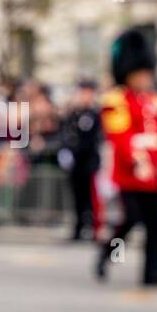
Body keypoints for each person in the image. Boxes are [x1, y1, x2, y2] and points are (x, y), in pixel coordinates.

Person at [96, 30, 157, 286]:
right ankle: (106, 252)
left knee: (156, 226)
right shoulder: (116, 101)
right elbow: (119, 137)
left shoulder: (155, 101)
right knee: (131, 220)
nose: (145, 78)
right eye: (140, 74)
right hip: (130, 175)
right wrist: (137, 160)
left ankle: (152, 273)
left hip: (153, 176)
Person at [60, 79, 102, 240]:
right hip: (75, 163)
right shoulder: (73, 114)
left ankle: (92, 228)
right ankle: (78, 228)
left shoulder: (94, 114)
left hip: (89, 162)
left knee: (89, 198)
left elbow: (90, 140)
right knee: (77, 197)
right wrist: (65, 151)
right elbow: (67, 135)